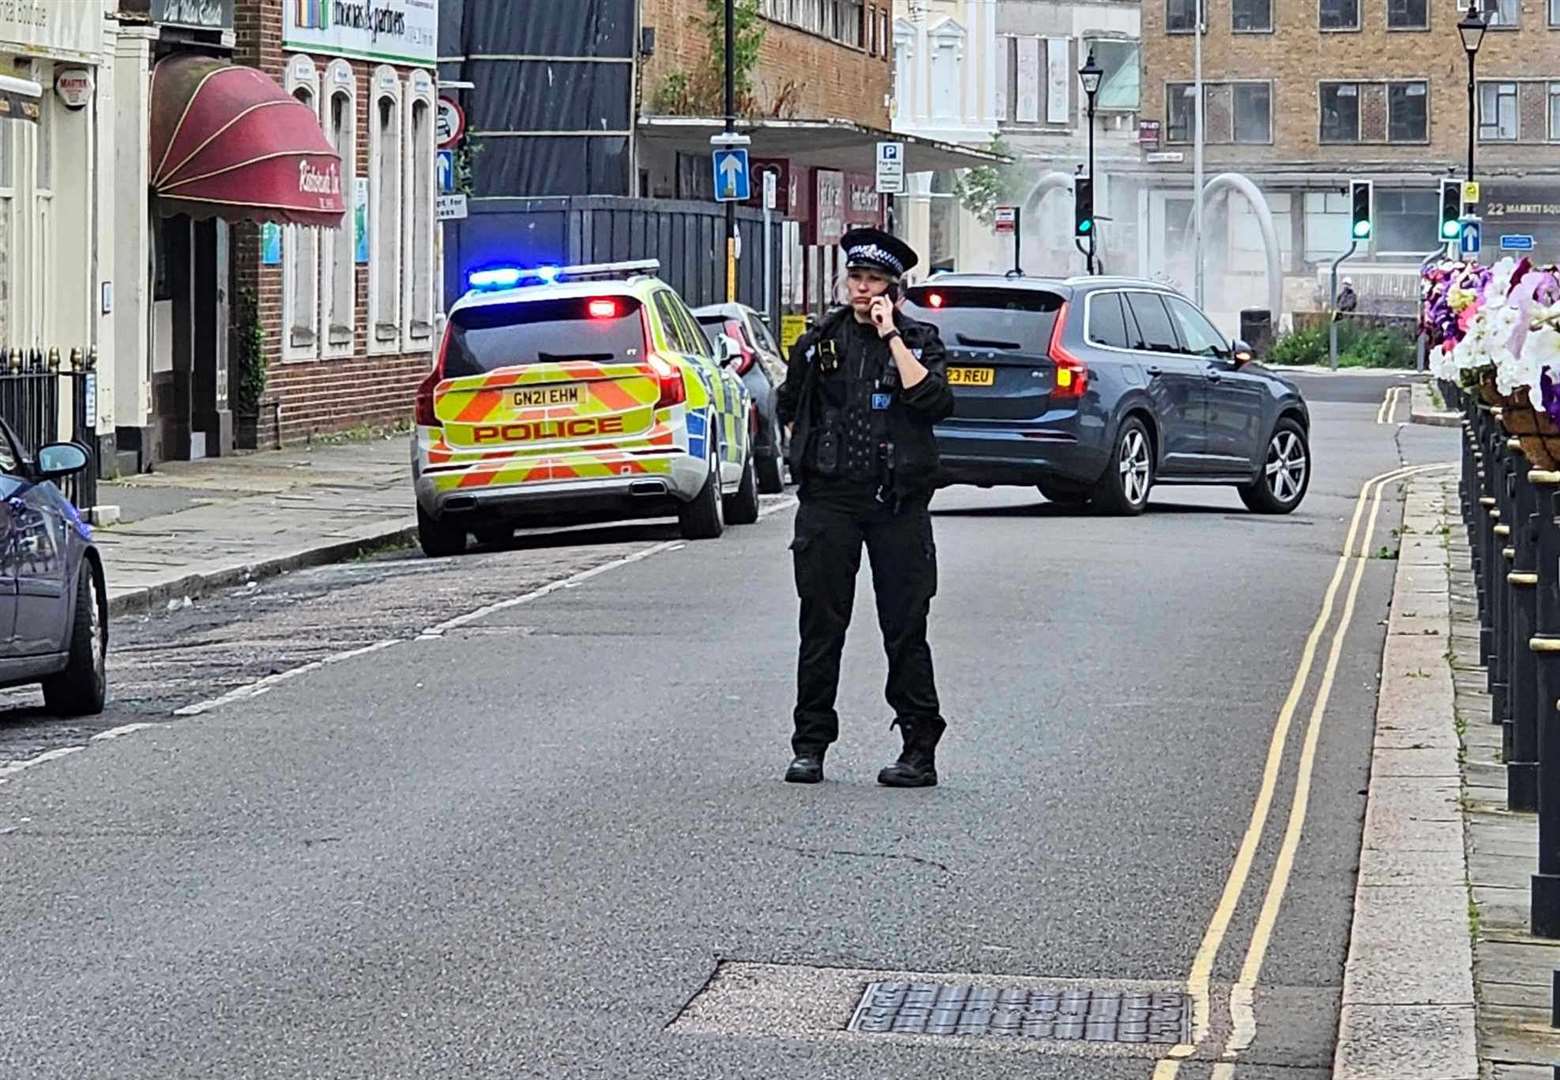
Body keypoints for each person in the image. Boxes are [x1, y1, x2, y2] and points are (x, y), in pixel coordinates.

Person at [775, 228, 956, 788]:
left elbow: (934, 402)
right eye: (855, 278)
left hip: (896, 504)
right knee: (821, 625)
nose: (862, 289)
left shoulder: (919, 342)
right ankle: (810, 746)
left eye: (874, 281)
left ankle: (918, 748)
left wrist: (893, 337)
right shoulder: (819, 341)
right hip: (830, 503)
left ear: (894, 290)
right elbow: (788, 404)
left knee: (904, 627)